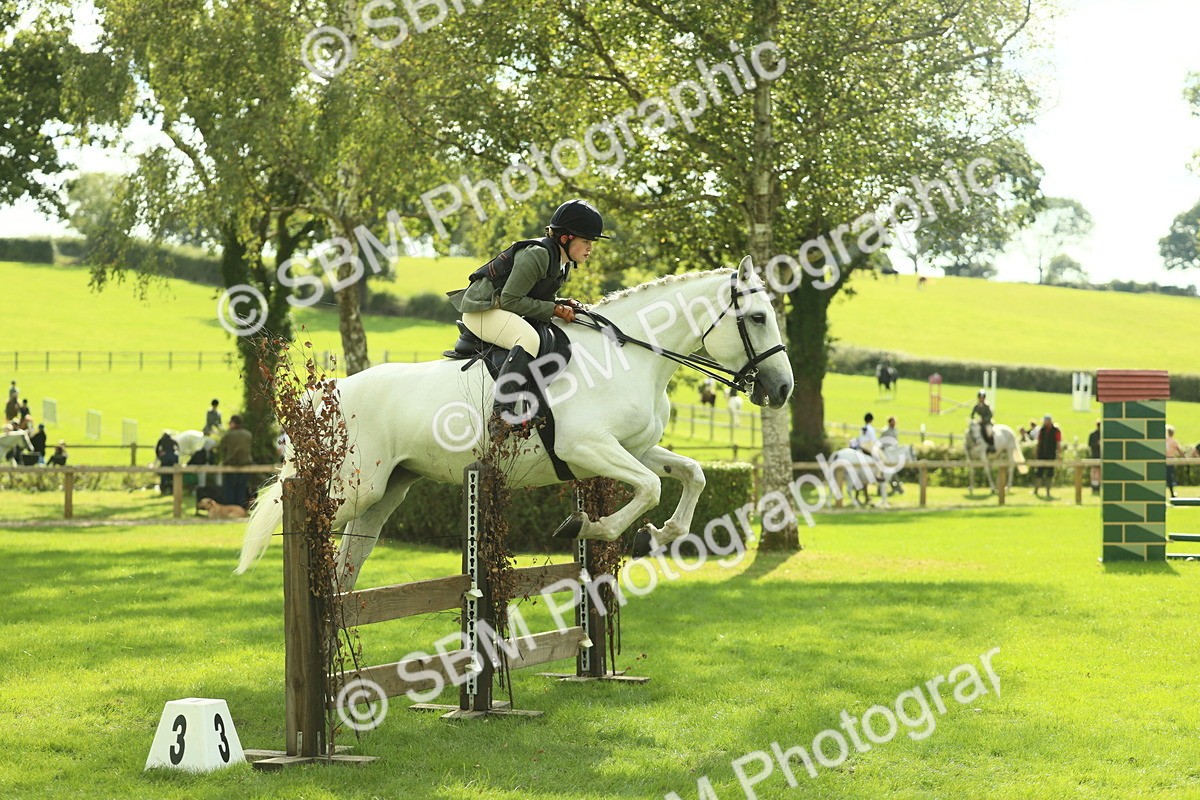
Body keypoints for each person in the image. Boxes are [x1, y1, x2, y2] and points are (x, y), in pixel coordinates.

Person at [447, 199, 608, 439]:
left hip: (502, 307)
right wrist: (554, 309)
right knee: (529, 339)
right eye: (586, 241)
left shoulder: (562, 263)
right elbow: (510, 300)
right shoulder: (538, 255)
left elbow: (537, 298)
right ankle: (500, 415)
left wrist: (561, 303)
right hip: (481, 310)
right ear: (566, 238)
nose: (590, 248)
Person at [218, 414, 254, 507]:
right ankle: (240, 509)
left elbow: (222, 449)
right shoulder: (248, 434)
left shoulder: (228, 434)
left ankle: (230, 509)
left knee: (229, 489)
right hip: (245, 465)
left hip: (230, 465)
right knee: (241, 489)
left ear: (233, 423)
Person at [1033, 414, 1062, 498]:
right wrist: (1036, 452)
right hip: (1041, 454)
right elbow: (1039, 442)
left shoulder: (1056, 430)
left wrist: (1059, 454)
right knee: (1039, 472)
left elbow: (1058, 443)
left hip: (1051, 455)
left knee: (1050, 473)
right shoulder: (1042, 430)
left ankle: (1048, 491)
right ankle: (1036, 490)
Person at [156, 430, 179, 495]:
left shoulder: (161, 440)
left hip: (165, 458)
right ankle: (172, 489)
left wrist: (159, 456)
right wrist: (174, 452)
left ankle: (163, 489)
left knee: (164, 473)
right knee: (172, 474)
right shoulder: (172, 439)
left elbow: (157, 449)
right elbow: (178, 447)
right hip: (173, 458)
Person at [1167, 425, 1187, 499]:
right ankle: (1172, 494)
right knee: (1169, 477)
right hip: (1170, 459)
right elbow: (1180, 451)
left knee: (1167, 476)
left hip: (1165, 459)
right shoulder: (1173, 441)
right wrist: (1185, 457)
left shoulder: (1166, 440)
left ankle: (1172, 493)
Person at [1087, 420, 1101, 495]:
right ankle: (1094, 486)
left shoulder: (1102, 434)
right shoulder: (1093, 435)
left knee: (1098, 472)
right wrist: (1097, 443)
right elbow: (1090, 444)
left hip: (1100, 455)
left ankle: (1098, 486)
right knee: (1094, 472)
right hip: (1095, 455)